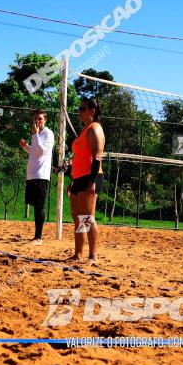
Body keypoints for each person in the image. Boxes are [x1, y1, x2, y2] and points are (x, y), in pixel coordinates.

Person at [68, 97, 105, 264]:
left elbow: (97, 158)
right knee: (77, 216)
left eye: (82, 109)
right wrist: (72, 180)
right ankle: (78, 254)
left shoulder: (95, 128)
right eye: (79, 108)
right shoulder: (85, 129)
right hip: (78, 177)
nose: (79, 112)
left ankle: (93, 256)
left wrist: (91, 183)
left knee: (88, 217)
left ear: (92, 111)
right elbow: (79, 157)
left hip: (91, 177)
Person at [19, 110, 54, 244]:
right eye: (35, 118)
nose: (36, 121)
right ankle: (36, 236)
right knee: (35, 206)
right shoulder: (38, 134)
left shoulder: (47, 133)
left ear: (45, 120)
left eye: (39, 119)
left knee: (39, 206)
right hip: (32, 173)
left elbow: (41, 152)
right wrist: (25, 146)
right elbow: (34, 151)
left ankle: (38, 238)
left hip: (41, 175)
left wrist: (34, 135)